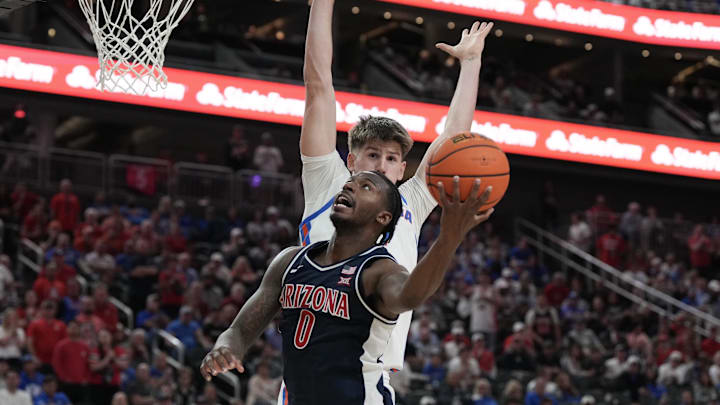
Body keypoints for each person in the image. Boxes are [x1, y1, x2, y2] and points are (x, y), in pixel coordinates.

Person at [295, 0, 494, 399]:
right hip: (303, 377)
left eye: (391, 158)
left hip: (368, 379)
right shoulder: (327, 183)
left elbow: (453, 140)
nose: (382, 165)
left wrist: (470, 65)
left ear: (402, 170)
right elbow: (319, 87)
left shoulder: (411, 205)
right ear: (351, 161)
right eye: (372, 154)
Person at [201, 171, 493, 404]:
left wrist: (449, 238)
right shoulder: (290, 260)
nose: (350, 187)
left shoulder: (379, 271)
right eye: (350, 183)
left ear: (383, 217)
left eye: (366, 187)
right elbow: (240, 330)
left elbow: (411, 295)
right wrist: (224, 347)